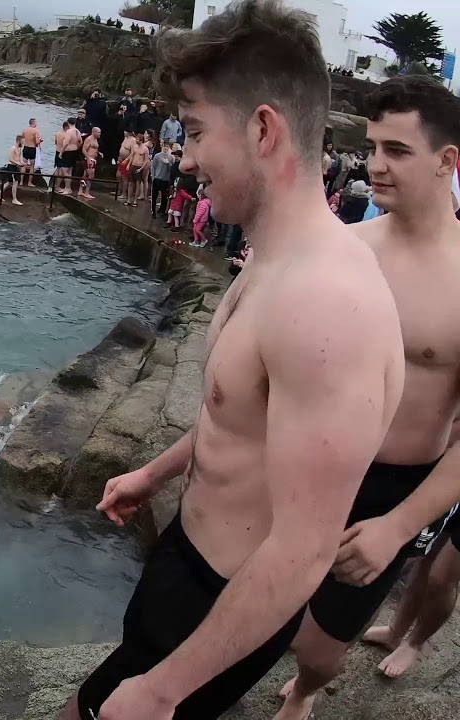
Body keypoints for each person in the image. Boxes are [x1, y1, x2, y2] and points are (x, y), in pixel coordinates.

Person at [61, 3, 406, 718]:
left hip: (222, 601)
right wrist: (156, 473)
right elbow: (244, 414)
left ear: (262, 129)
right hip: (186, 556)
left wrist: (163, 691)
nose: (185, 159)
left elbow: (305, 550)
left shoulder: (326, 305)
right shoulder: (274, 259)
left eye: (194, 131)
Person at [274, 75, 460, 719]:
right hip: (310, 463)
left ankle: (305, 692)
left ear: (447, 160)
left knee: (323, 647)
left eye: (397, 151)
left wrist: (399, 526)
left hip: (393, 486)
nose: (376, 164)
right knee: (263, 605)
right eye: (372, 147)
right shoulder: (345, 248)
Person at [151, 143, 178, 219]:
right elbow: (153, 167)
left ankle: (162, 211)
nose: (165, 148)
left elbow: (173, 169)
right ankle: (153, 211)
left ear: (169, 148)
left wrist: (168, 163)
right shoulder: (157, 156)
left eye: (167, 146)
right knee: (154, 196)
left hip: (166, 180)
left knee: (164, 197)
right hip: (157, 178)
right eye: (164, 146)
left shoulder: (171, 157)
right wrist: (153, 176)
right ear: (162, 147)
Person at [123, 133, 150, 207]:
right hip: (133, 165)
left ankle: (135, 201)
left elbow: (145, 160)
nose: (136, 140)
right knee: (130, 183)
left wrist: (141, 168)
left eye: (137, 139)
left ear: (141, 141)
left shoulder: (145, 149)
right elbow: (132, 155)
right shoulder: (134, 147)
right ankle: (128, 200)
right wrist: (129, 164)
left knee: (138, 184)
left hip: (139, 166)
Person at [0, 136, 27, 205]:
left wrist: (22, 163)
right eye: (22, 142)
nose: (23, 143)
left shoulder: (19, 149)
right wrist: (18, 163)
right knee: (15, 182)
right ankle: (14, 199)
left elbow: (19, 159)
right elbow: (10, 159)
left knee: (9, 182)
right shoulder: (13, 148)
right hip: (11, 167)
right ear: (19, 141)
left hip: (16, 167)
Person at [79, 127, 101, 199]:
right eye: (98, 132)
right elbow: (84, 149)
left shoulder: (95, 139)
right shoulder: (89, 139)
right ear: (94, 132)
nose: (100, 134)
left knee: (85, 175)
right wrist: (88, 159)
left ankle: (80, 191)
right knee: (91, 176)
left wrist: (98, 153)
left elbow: (93, 149)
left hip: (93, 159)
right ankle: (87, 192)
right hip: (89, 159)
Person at [116, 131, 136, 201]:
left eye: (125, 131)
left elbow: (133, 152)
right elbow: (122, 148)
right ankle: (118, 191)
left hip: (127, 161)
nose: (124, 132)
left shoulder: (133, 140)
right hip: (121, 159)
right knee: (118, 175)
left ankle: (124, 194)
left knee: (124, 177)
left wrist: (127, 160)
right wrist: (119, 157)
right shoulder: (125, 138)